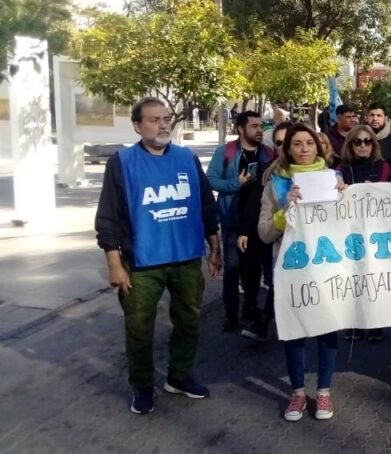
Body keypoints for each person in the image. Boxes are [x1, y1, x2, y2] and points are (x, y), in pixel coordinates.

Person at [95, 97, 222, 414]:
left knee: (190, 322)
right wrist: (114, 264)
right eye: (154, 119)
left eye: (166, 118)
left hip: (186, 258)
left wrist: (214, 246)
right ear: (137, 126)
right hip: (141, 265)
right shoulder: (122, 163)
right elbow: (108, 218)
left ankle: (178, 377)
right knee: (139, 330)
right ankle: (142, 386)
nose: (164, 124)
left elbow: (206, 205)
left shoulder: (187, 159)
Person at [258, 123, 345, 421]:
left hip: (327, 268)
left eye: (310, 143)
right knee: (294, 331)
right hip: (291, 271)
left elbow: (349, 226)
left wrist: (346, 200)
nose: (304, 149)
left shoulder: (335, 179)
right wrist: (285, 210)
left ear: (319, 147)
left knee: (326, 329)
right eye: (297, 144)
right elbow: (265, 232)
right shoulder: (276, 184)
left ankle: (323, 392)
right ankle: (297, 393)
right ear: (288, 149)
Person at [206, 111, 276, 332]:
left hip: (258, 220)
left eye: (261, 126)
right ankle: (231, 313)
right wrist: (235, 184)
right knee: (234, 267)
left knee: (254, 268)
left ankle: (250, 306)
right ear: (241, 128)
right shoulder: (225, 152)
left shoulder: (267, 153)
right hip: (233, 220)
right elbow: (211, 180)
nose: (259, 130)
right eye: (255, 126)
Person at [336, 125, 391, 343]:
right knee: (352, 274)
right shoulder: (341, 168)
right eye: (357, 142)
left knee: (374, 275)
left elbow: (390, 193)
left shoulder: (383, 167)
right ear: (350, 145)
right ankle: (354, 322)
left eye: (367, 141)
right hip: (350, 227)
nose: (362, 145)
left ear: (373, 144)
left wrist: (377, 188)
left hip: (376, 228)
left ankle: (376, 323)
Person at [236, 123, 286, 341]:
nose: (283, 147)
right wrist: (245, 230)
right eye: (279, 142)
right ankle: (263, 322)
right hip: (275, 238)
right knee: (276, 281)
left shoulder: (318, 171)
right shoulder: (269, 171)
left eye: (288, 141)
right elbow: (256, 203)